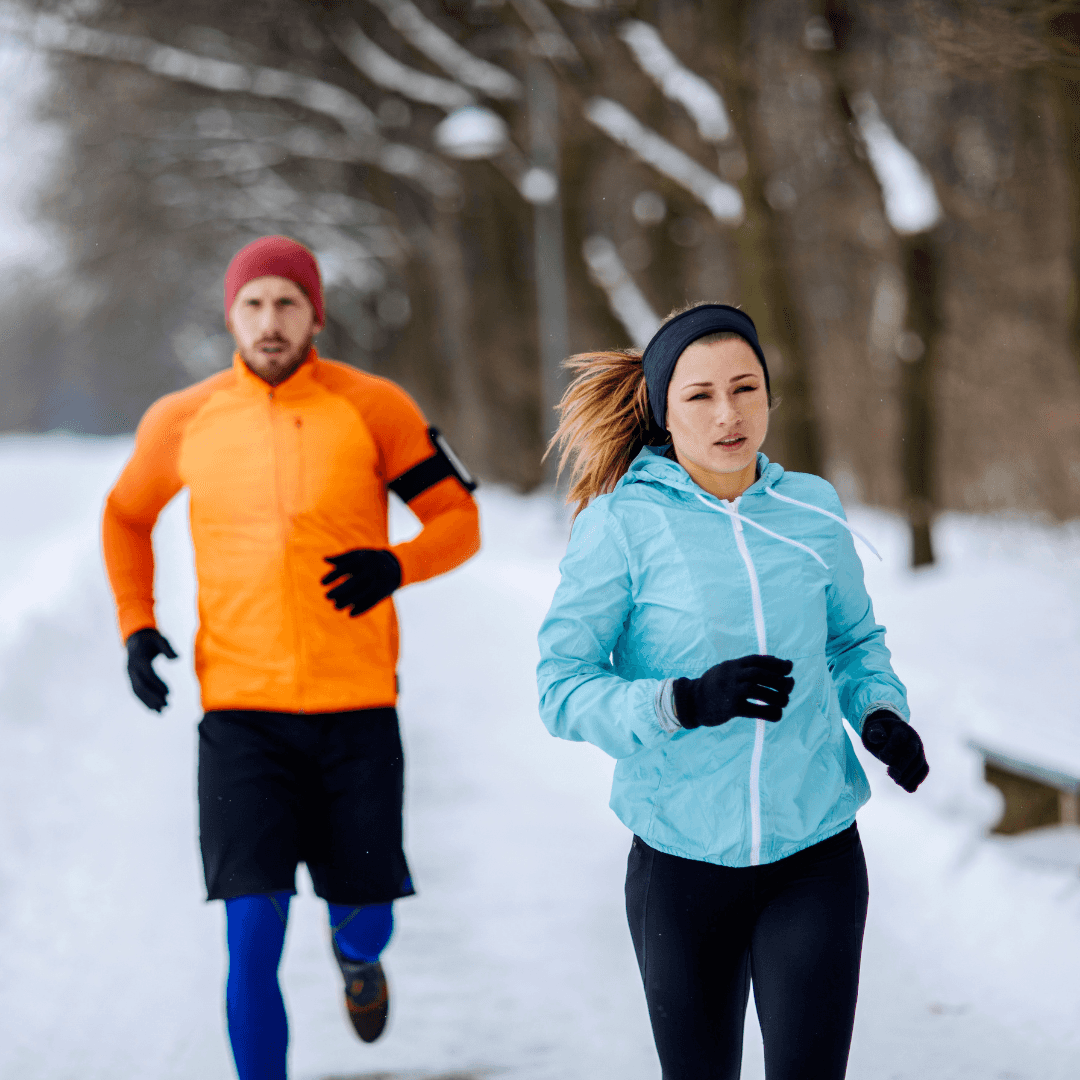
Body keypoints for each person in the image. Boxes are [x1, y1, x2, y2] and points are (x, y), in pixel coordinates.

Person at [102, 235, 481, 1080]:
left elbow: (460, 519)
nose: (269, 321)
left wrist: (398, 563)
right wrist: (136, 623)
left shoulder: (374, 406)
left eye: (286, 302)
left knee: (366, 915)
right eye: (253, 304)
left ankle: (356, 955)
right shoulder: (184, 418)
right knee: (250, 936)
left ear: (316, 312)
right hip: (241, 717)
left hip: (356, 711)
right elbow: (125, 515)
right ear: (229, 314)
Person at [536, 303, 929, 1080]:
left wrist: (881, 715)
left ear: (769, 396)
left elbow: (852, 643)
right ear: (662, 409)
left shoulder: (811, 508)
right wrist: (679, 702)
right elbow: (561, 685)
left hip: (814, 853)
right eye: (700, 394)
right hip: (682, 865)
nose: (728, 414)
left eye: (746, 388)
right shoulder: (622, 522)